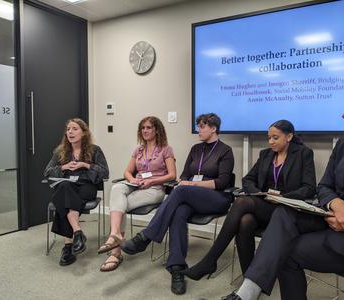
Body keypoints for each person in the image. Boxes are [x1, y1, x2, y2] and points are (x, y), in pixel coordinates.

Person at [222, 82, 344, 300]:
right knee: (285, 212)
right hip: (330, 217)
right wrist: (338, 204)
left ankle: (246, 293)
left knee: (285, 252)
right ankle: (248, 293)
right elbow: (324, 186)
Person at [184, 120, 316, 281]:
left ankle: (210, 261)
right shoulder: (266, 154)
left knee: (242, 202)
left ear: (289, 137)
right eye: (269, 138)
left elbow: (309, 188)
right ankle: (250, 278)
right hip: (265, 204)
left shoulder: (303, 154)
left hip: (286, 208)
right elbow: (248, 180)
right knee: (245, 221)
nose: (271, 142)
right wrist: (259, 193)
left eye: (275, 138)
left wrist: (283, 198)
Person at [120, 113, 234, 295]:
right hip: (191, 196)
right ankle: (177, 268)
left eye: (202, 126)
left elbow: (222, 182)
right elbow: (184, 176)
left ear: (213, 128)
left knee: (180, 190)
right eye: (198, 126)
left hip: (216, 197)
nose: (199, 130)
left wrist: (191, 184)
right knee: (178, 212)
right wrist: (187, 183)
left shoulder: (225, 150)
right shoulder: (196, 149)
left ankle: (147, 236)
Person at [97, 116, 176, 272]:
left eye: (149, 127)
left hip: (155, 189)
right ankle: (115, 234)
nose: (145, 131)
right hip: (136, 185)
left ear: (157, 130)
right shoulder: (138, 149)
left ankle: (115, 252)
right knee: (117, 188)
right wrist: (132, 179)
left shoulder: (166, 149)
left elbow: (172, 175)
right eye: (143, 128)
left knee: (120, 206)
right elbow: (127, 171)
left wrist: (152, 181)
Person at [43, 118, 109, 266]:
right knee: (64, 189)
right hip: (66, 186)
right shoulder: (60, 151)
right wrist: (64, 167)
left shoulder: (94, 150)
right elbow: (47, 172)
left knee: (63, 199)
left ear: (84, 132)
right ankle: (77, 233)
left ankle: (68, 247)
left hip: (86, 187)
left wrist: (85, 165)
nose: (70, 132)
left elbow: (105, 173)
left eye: (74, 129)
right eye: (68, 129)